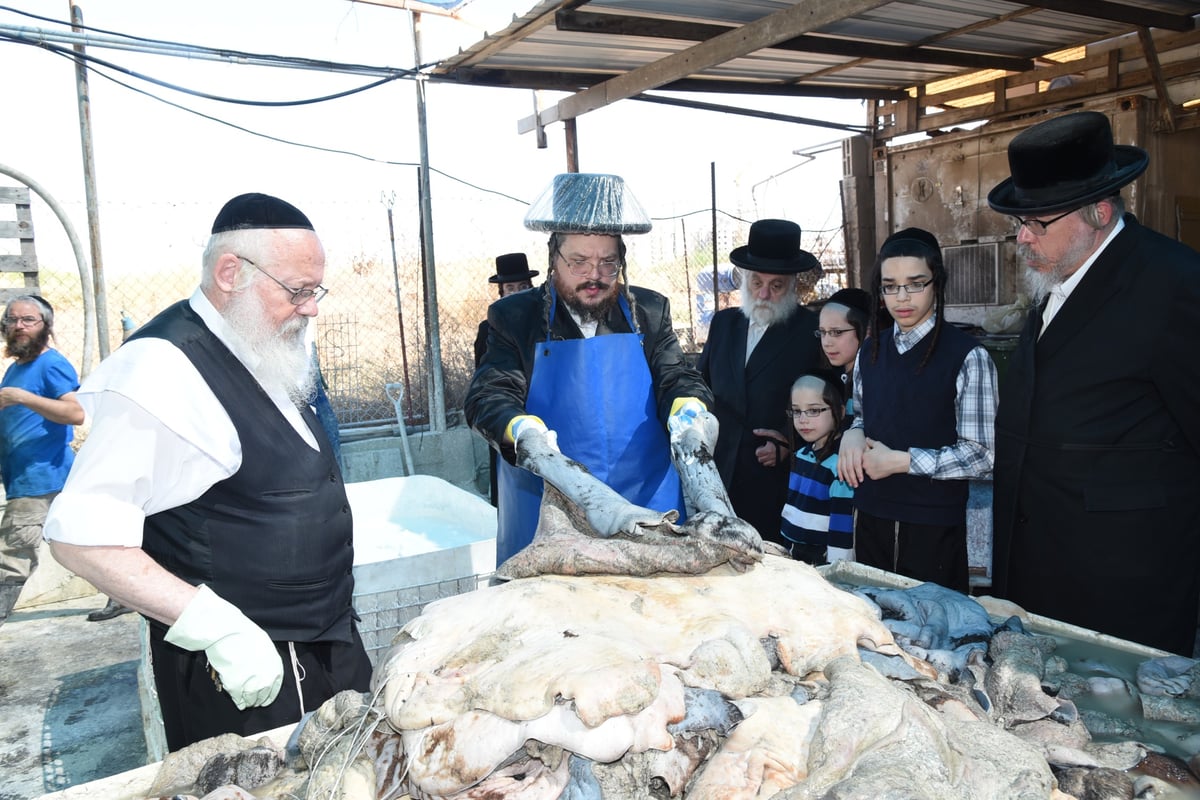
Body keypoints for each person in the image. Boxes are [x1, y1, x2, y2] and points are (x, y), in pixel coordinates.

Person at [44, 192, 372, 750]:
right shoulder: (162, 368)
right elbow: (80, 537)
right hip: (243, 672)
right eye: (297, 291)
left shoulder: (263, 341)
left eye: (315, 291)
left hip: (325, 642)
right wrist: (215, 627)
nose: (311, 307)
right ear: (230, 273)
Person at [986, 111, 1200, 655]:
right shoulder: (1057, 275)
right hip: (1036, 569)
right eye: (1018, 223)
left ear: (1098, 211)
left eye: (1037, 224)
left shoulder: (1174, 284)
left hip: (1121, 588)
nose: (1022, 238)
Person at [465, 173, 712, 564]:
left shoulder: (649, 311)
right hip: (550, 510)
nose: (594, 275)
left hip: (645, 503)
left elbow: (676, 377)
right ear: (554, 259)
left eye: (607, 263)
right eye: (579, 262)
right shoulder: (514, 317)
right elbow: (489, 396)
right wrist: (524, 433)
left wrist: (690, 410)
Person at [838, 228, 997, 594]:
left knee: (931, 641)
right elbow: (862, 413)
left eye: (915, 284)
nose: (902, 297)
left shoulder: (968, 357)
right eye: (890, 286)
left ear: (937, 283)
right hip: (870, 516)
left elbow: (982, 456)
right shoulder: (869, 352)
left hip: (931, 527)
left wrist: (903, 462)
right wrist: (853, 432)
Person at [698, 218, 823, 547]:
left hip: (771, 478)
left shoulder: (810, 332)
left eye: (776, 285)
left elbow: (830, 400)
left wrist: (788, 442)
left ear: (793, 285)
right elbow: (702, 385)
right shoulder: (724, 323)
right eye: (756, 282)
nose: (764, 293)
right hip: (717, 471)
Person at [0, 295, 84, 626]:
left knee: (12, 552)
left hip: (41, 476)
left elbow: (76, 412)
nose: (18, 326)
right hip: (23, 474)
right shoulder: (15, 369)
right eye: (12, 320)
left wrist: (22, 397)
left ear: (45, 326)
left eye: (28, 320)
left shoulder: (51, 364)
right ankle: (122, 597)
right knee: (81, 542)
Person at [780, 372, 854, 566]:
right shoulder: (800, 455)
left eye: (813, 410)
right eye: (796, 411)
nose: (803, 419)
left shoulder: (840, 465)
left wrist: (837, 572)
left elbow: (842, 526)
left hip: (821, 562)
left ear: (840, 410)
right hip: (792, 554)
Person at [816, 287, 872, 426]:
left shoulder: (876, 380)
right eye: (823, 332)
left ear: (866, 332)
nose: (827, 343)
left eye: (837, 332)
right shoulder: (825, 378)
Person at [473, 252, 538, 367]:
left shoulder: (544, 323)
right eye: (510, 288)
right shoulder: (487, 330)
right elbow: (482, 375)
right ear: (502, 292)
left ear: (531, 288)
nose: (517, 294)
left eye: (523, 287)